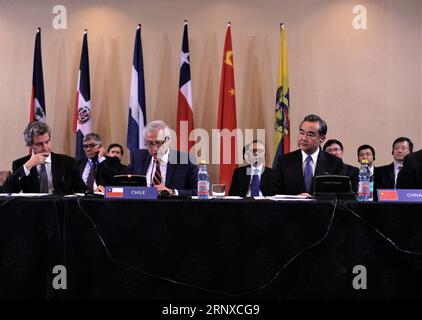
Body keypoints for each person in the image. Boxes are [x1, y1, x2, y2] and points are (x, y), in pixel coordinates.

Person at [3, 121, 86, 194]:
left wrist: (96, 190)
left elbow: (82, 190)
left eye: (47, 142)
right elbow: (6, 191)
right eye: (39, 144)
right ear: (30, 145)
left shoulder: (68, 162)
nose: (45, 147)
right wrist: (28, 166)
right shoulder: (20, 164)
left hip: (60, 210)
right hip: (33, 210)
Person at [274, 114, 343, 196]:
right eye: (301, 132)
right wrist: (295, 199)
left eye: (310, 135)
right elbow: (275, 194)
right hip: (292, 208)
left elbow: (339, 197)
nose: (303, 138)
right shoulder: (284, 161)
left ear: (322, 138)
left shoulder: (334, 163)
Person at [128, 120, 198, 197]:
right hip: (141, 205)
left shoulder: (186, 161)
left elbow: (197, 191)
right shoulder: (138, 157)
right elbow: (127, 183)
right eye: (150, 143)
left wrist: (171, 192)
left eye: (158, 143)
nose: (154, 148)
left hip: (171, 206)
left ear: (167, 141)